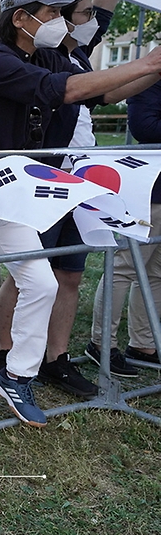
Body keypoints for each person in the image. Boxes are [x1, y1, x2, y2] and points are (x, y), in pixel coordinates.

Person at [0, 0, 161, 428]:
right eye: (53, 12)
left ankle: (17, 373)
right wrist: (149, 64)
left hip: (13, 196)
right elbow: (67, 91)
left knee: (43, 282)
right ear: (21, 18)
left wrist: (152, 69)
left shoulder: (50, 57)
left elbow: (102, 91)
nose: (62, 21)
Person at [0, 0, 151, 400]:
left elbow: (105, 86)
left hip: (80, 175)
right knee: (27, 273)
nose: (75, 18)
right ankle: (6, 352)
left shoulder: (75, 52)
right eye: (65, 11)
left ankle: (54, 358)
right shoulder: (30, 55)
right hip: (38, 176)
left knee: (70, 273)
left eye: (77, 12)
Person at [88, 79, 161, 375]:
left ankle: (143, 344)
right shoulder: (151, 77)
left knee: (156, 271)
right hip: (151, 191)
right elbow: (143, 125)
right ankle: (101, 344)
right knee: (126, 265)